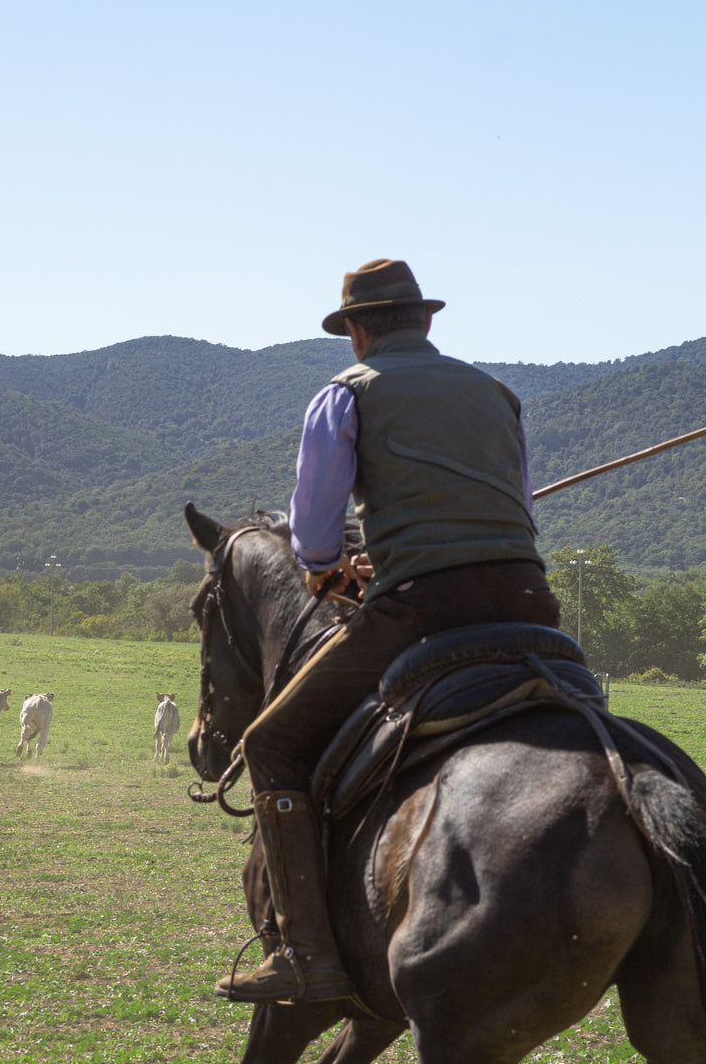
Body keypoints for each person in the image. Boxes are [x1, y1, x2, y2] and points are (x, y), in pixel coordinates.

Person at [216, 259, 561, 1004]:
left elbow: (311, 529)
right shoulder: (496, 393)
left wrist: (329, 567)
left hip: (423, 607)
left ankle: (304, 952)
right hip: (532, 605)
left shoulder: (345, 396)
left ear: (357, 330)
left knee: (270, 744)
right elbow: (522, 514)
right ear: (426, 321)